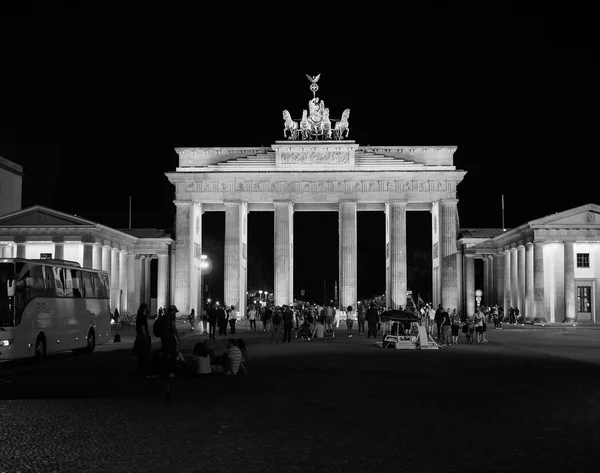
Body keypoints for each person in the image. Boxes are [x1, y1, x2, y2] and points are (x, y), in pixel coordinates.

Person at [134, 303, 154, 378]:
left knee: (141, 356)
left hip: (139, 338)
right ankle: (144, 372)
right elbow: (143, 329)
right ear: (145, 309)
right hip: (143, 339)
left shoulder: (139, 316)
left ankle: (140, 372)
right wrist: (146, 338)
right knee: (145, 355)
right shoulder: (142, 317)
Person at [161, 305, 181, 377]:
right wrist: (178, 337)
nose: (175, 313)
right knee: (173, 353)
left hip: (163, 337)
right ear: (172, 311)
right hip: (169, 336)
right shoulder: (172, 316)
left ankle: (164, 370)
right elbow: (173, 327)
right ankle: (171, 371)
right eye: (175, 311)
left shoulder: (165, 316)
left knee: (166, 353)